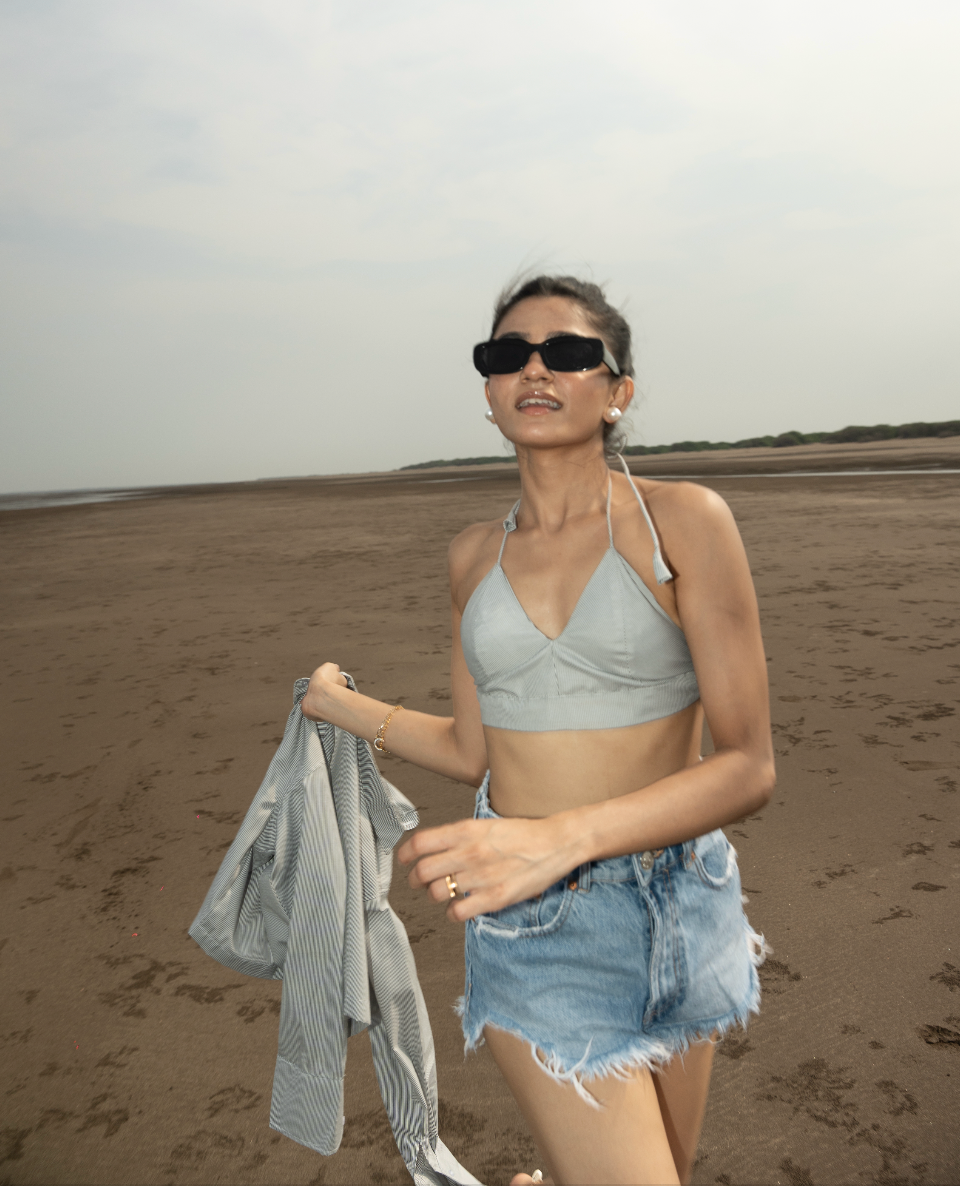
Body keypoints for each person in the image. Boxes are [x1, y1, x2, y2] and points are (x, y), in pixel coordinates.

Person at [300, 275, 774, 1186]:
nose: (533, 368)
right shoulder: (473, 556)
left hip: (687, 900)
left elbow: (748, 766)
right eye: (506, 354)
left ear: (617, 390)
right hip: (536, 926)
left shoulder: (683, 522)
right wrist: (340, 705)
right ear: (487, 394)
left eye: (565, 352)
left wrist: (557, 840)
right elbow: (477, 751)